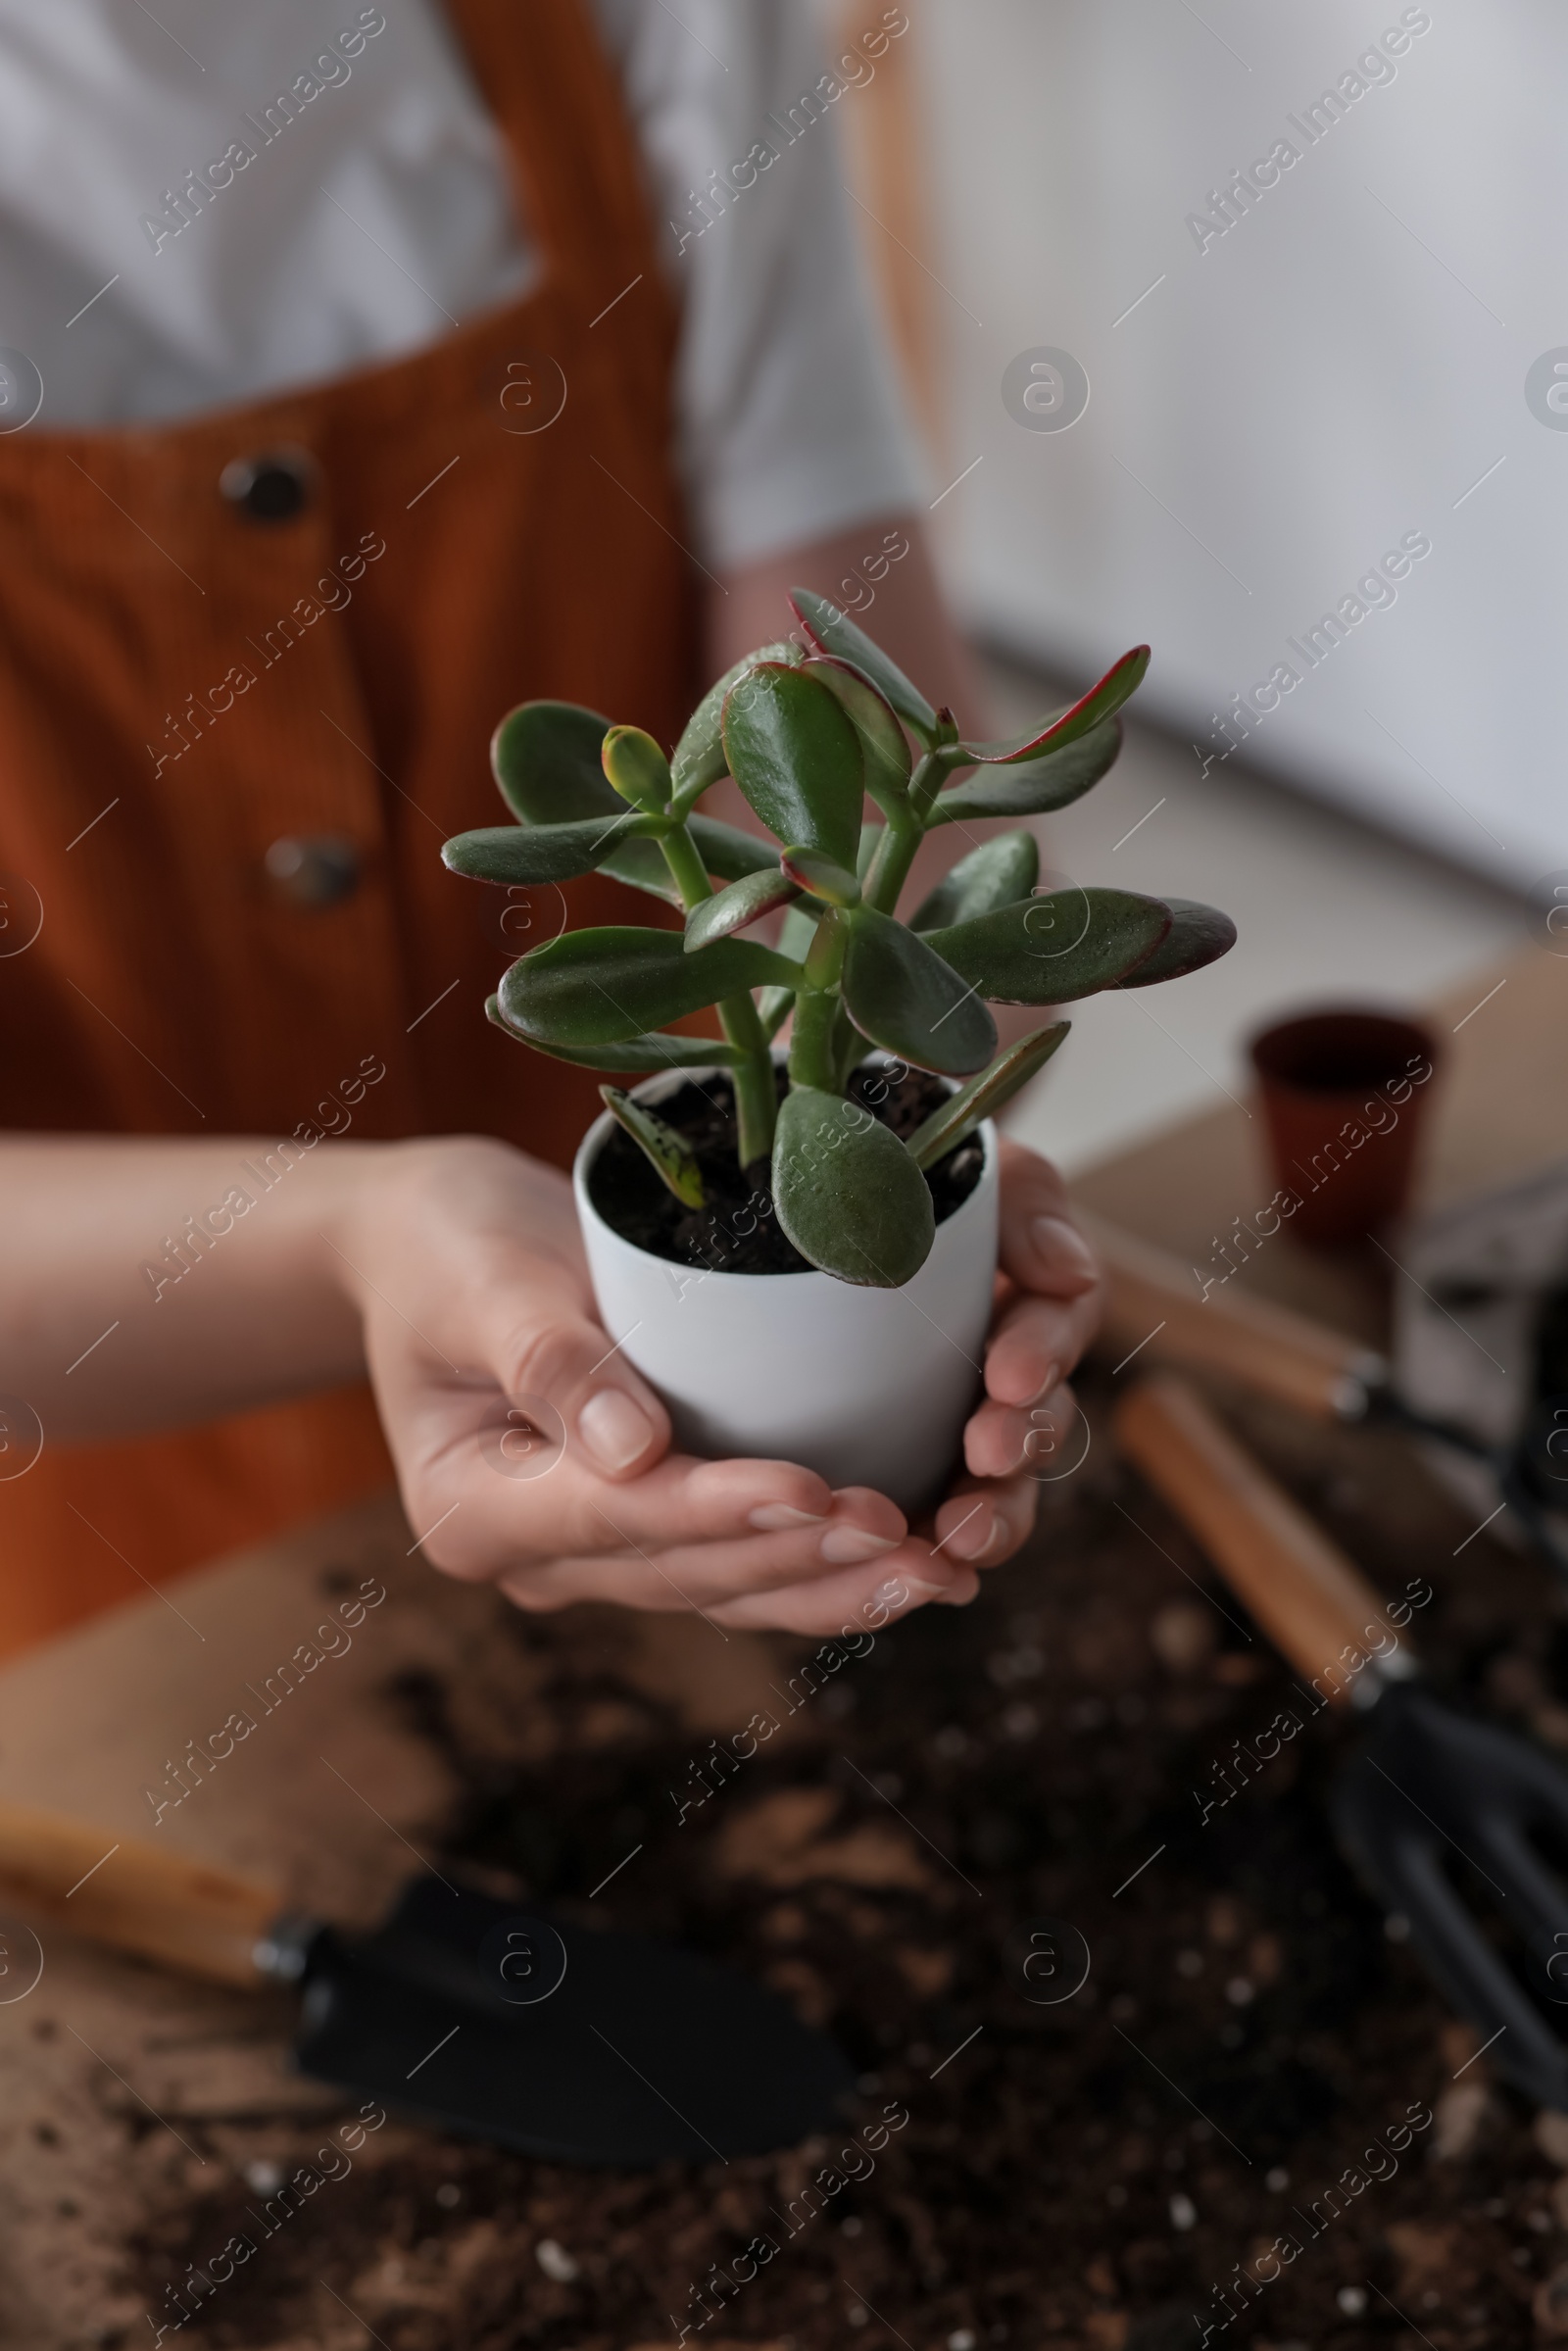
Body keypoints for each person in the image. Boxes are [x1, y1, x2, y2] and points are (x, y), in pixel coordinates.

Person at [0, 0, 1101, 1650]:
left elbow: (886, 808)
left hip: (706, 1481)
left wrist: (917, 1169)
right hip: (114, 1609)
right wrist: (368, 1252)